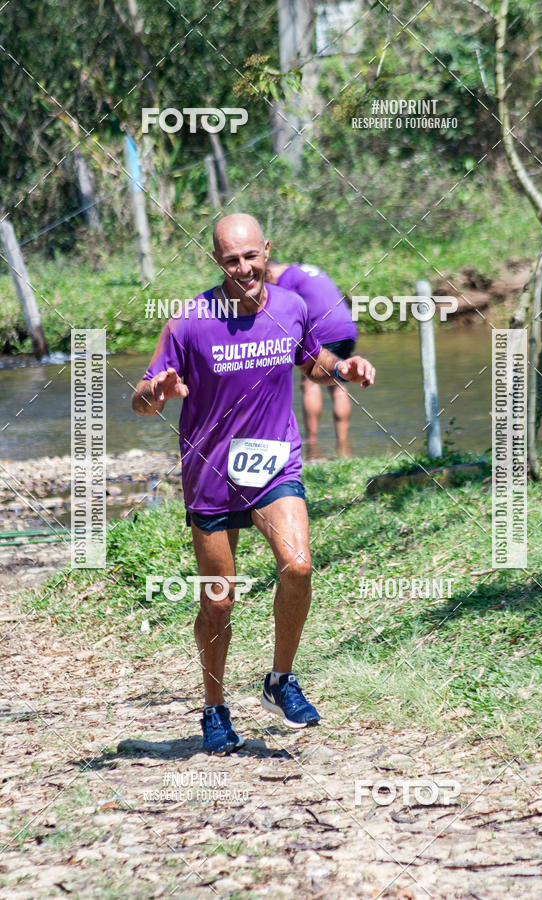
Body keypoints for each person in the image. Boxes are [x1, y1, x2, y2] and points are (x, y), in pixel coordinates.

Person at [132, 213, 376, 754]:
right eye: (230, 259)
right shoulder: (188, 321)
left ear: (266, 250)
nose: (243, 268)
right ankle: (214, 708)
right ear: (216, 260)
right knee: (219, 602)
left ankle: (280, 681)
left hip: (274, 466)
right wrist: (160, 390)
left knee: (298, 565)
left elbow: (312, 362)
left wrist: (344, 368)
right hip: (210, 475)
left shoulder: (292, 306)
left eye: (250, 256)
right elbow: (140, 403)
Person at [266, 261, 357, 458]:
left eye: (267, 281)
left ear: (269, 272)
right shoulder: (306, 270)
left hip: (325, 330)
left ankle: (313, 449)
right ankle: (343, 447)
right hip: (347, 328)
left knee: (310, 384)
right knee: (338, 382)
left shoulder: (286, 278)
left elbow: (280, 310)